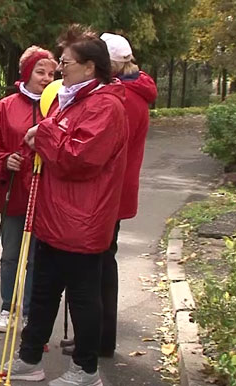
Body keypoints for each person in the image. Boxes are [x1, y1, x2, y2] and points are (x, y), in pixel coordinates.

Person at [0, 25, 128, 386]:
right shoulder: (74, 100)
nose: (60, 70)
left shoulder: (106, 105)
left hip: (83, 220)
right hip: (55, 216)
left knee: (83, 298)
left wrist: (44, 134)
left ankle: (85, 369)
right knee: (44, 291)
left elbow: (79, 158)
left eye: (66, 63)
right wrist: (44, 135)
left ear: (90, 67)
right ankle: (29, 359)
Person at [61, 33, 158, 358]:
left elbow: (98, 147)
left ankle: (99, 337)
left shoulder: (122, 98)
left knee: (97, 266)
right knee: (101, 262)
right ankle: (96, 335)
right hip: (116, 190)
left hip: (108, 192)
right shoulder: (131, 91)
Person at [0, 46, 58, 333]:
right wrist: (3, 160)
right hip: (14, 193)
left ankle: (30, 312)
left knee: (37, 256)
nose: (46, 78)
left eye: (51, 73)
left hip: (47, 196)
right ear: (26, 73)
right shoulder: (5, 107)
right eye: (40, 72)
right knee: (11, 254)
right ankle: (7, 308)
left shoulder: (60, 106)